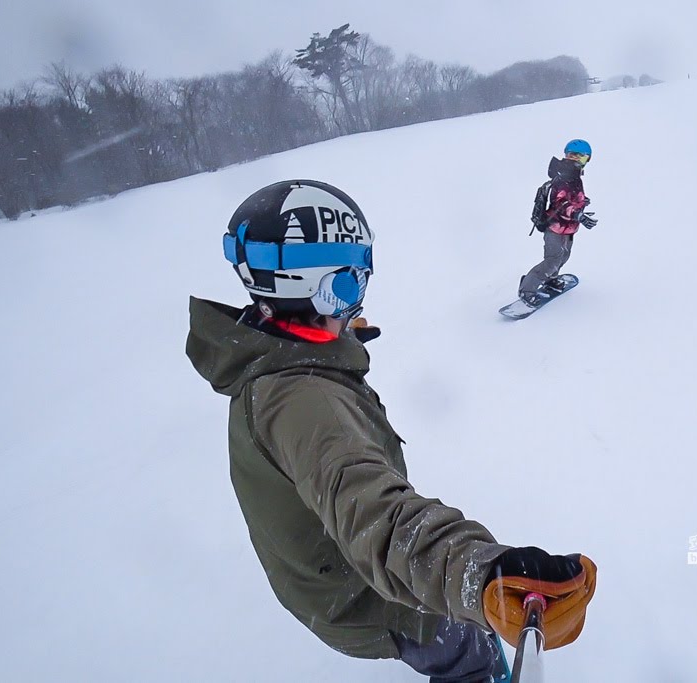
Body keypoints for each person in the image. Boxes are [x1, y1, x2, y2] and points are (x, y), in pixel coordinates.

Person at [186, 180, 596, 683]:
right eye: (353, 282)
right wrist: (483, 576)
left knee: (463, 624)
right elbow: (376, 515)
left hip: (325, 575)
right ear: (325, 285)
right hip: (365, 591)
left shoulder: (272, 354)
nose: (358, 299)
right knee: (464, 646)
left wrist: (331, 339)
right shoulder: (305, 402)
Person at [518, 139, 598, 307]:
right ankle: (527, 289)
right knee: (552, 260)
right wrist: (578, 215)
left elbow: (573, 197)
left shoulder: (575, 177)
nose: (575, 159)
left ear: (587, 160)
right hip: (555, 227)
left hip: (568, 228)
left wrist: (582, 203)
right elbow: (561, 204)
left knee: (564, 256)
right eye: (572, 155)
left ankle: (551, 280)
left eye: (581, 157)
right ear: (566, 155)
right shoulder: (563, 177)